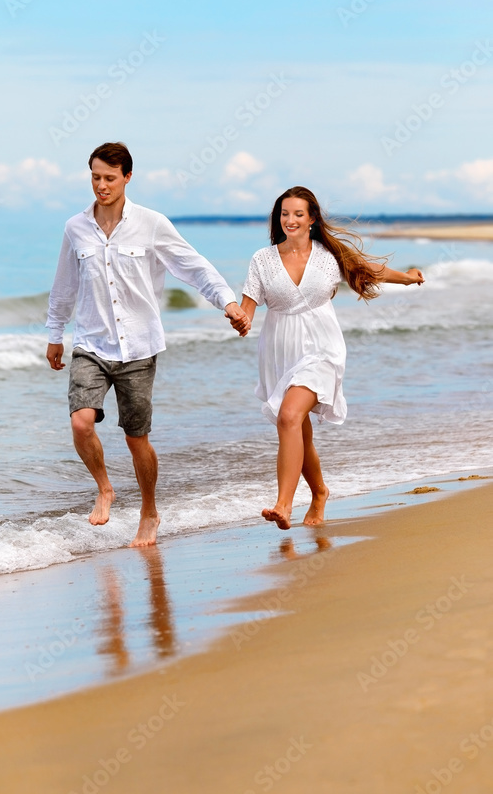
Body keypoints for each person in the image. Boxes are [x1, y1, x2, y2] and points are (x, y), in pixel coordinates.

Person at [46, 142, 250, 547]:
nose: (101, 186)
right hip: (91, 342)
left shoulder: (152, 223)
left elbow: (192, 265)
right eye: (95, 177)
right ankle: (105, 488)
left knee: (136, 438)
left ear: (127, 177)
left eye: (109, 178)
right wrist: (55, 334)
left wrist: (227, 302)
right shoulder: (75, 228)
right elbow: (64, 285)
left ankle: (149, 511)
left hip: (139, 347)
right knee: (80, 421)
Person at [239, 185, 424, 530]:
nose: (290, 220)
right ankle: (320, 492)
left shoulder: (328, 256)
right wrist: (240, 318)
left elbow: (370, 270)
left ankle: (283, 505)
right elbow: (248, 307)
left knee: (288, 416)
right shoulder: (262, 260)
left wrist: (407, 279)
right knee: (298, 429)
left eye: (298, 214)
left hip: (322, 348)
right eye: (284, 214)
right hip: (280, 351)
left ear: (311, 219)